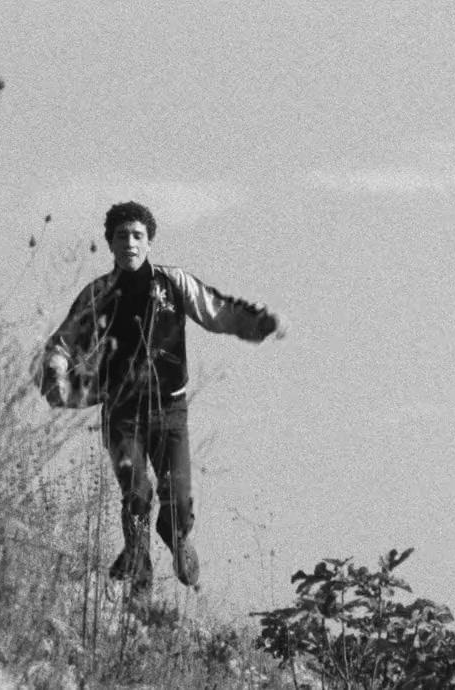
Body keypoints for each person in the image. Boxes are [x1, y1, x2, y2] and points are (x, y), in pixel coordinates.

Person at [37, 201, 285, 597]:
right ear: (110, 243)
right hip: (121, 413)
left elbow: (217, 311)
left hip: (170, 411)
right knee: (136, 492)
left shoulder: (173, 284)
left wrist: (260, 323)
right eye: (122, 236)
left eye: (138, 236)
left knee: (177, 498)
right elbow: (64, 342)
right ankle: (139, 584)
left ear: (150, 242)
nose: (130, 243)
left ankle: (177, 537)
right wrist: (55, 370)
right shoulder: (99, 293)